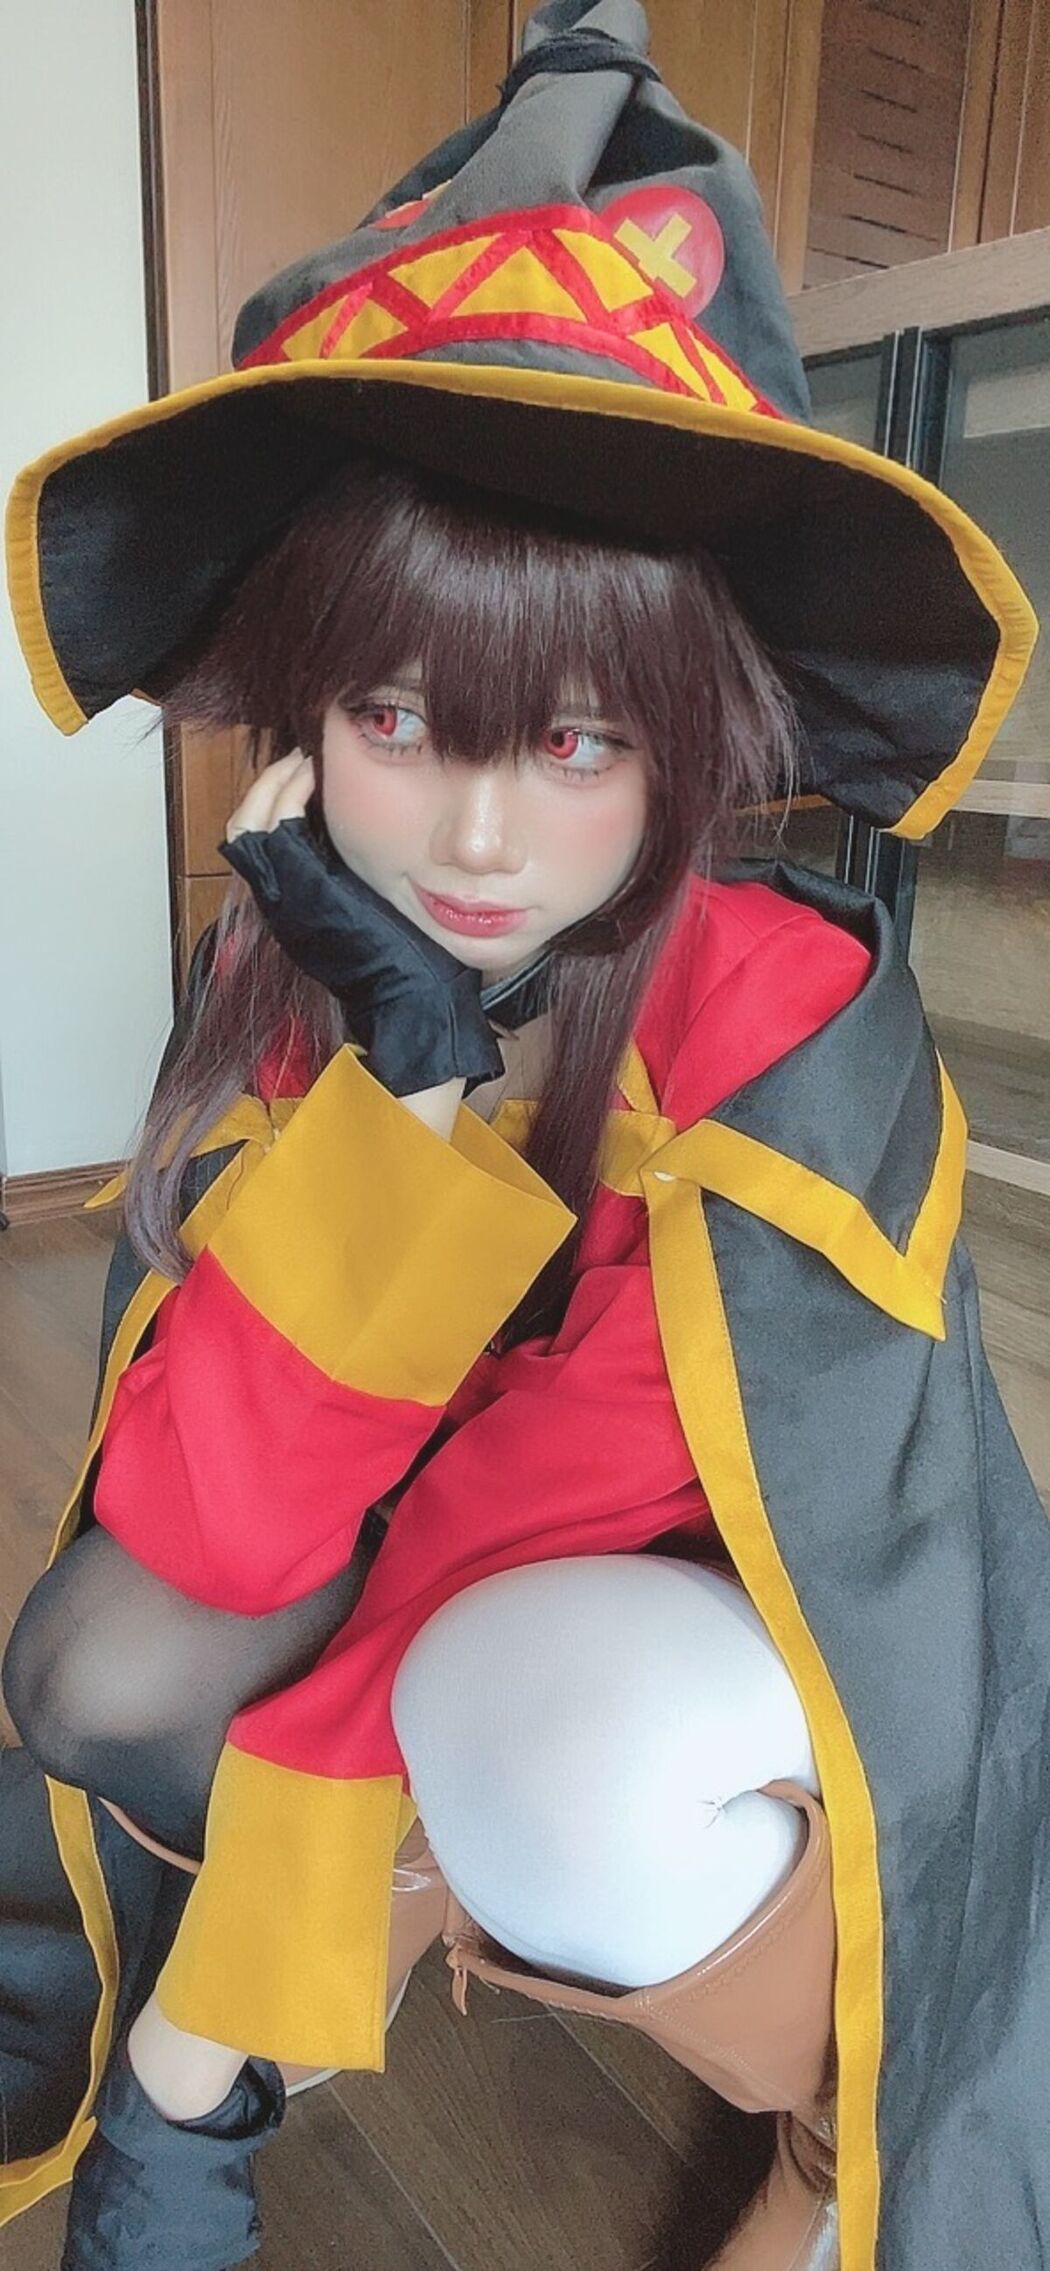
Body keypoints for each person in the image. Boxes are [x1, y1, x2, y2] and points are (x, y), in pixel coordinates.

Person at [2, 6, 1047, 2269]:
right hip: (431, 1533)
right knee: (93, 1667)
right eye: (399, 716)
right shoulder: (306, 964)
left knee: (540, 1734)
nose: (474, 841)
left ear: (693, 733)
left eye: (575, 742)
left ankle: (835, 2103)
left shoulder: (786, 1013)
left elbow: (559, 1493)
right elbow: (209, 1505)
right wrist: (405, 1086)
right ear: (306, 713)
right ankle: (365, 1900)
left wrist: (196, 2037)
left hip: (694, 1592)